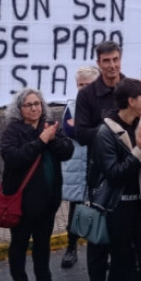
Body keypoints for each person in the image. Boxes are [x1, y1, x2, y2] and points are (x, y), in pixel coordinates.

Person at [74, 40, 141, 281]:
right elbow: (81, 132)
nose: (111, 65)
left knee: (129, 236)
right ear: (98, 63)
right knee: (99, 225)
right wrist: (109, 131)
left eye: (115, 59)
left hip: (135, 171)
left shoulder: (133, 89)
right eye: (106, 61)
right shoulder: (87, 95)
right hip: (101, 170)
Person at [91, 78, 141, 281]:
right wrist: (139, 152)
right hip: (119, 207)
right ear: (131, 100)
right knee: (121, 264)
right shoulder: (105, 132)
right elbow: (113, 174)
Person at [0, 88, 73, 281]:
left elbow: (67, 151)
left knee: (43, 243)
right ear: (19, 109)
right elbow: (13, 158)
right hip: (23, 202)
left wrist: (52, 140)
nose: (35, 108)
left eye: (38, 103)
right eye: (29, 105)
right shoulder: (12, 131)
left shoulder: (50, 127)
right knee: (19, 244)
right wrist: (41, 141)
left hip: (49, 200)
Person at [60, 67, 100, 268]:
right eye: (80, 85)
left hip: (98, 164)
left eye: (88, 84)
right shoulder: (72, 106)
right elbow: (70, 130)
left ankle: (99, 253)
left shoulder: (104, 105)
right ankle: (71, 247)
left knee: (99, 209)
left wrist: (84, 128)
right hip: (77, 166)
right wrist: (94, 128)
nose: (83, 88)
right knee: (75, 209)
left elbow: (107, 132)